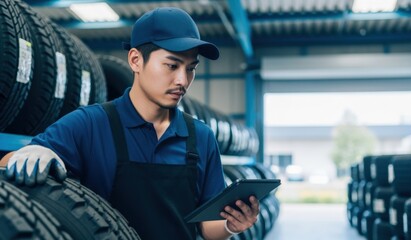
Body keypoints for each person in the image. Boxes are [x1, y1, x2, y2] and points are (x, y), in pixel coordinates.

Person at [4, 7, 259, 240]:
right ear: (136, 60)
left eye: (190, 68)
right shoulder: (90, 124)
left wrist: (231, 225)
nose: (182, 80)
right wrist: (32, 153)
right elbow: (8, 166)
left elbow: (208, 228)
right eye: (172, 65)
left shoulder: (201, 137)